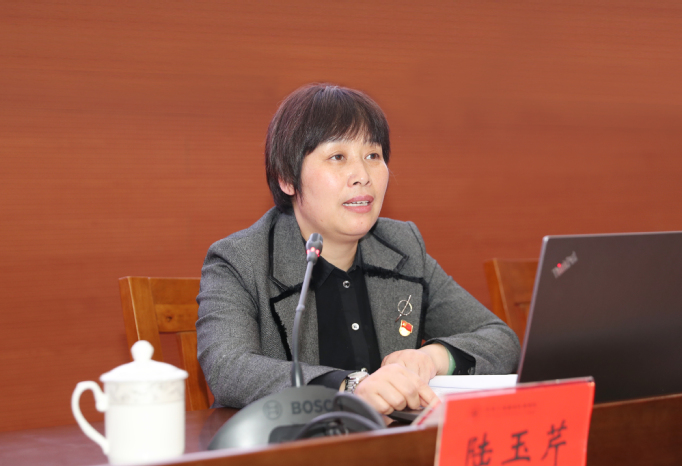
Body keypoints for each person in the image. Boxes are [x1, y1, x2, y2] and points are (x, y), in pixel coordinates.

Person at [197, 83, 520, 415]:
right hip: (289, 442)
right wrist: (349, 387)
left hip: (392, 442)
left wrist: (432, 357)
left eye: (373, 156)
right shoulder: (239, 260)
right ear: (286, 178)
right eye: (338, 157)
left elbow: (500, 339)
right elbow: (228, 367)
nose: (362, 176)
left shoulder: (402, 247)